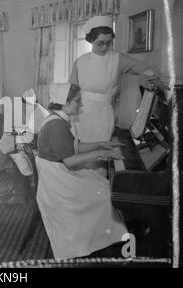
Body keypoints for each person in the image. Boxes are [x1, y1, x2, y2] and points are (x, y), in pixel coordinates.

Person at [36, 83, 128, 260]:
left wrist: (102, 143)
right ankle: (92, 242)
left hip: (58, 178)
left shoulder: (58, 119)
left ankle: (102, 237)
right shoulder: (56, 125)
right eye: (78, 101)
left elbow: (74, 147)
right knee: (104, 193)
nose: (81, 105)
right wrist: (101, 153)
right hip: (57, 186)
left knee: (103, 185)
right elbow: (71, 161)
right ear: (66, 102)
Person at [69, 15, 161, 142]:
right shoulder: (80, 61)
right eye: (100, 43)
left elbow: (150, 70)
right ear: (91, 40)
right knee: (81, 149)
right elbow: (73, 90)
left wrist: (143, 78)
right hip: (81, 114)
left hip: (103, 115)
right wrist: (68, 116)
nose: (105, 47)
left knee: (101, 151)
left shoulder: (118, 59)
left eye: (109, 43)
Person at [0, 89, 50, 205]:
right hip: (31, 145)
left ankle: (18, 193)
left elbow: (41, 137)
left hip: (40, 148)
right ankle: (17, 190)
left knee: (15, 153)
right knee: (11, 142)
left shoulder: (41, 113)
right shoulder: (35, 110)